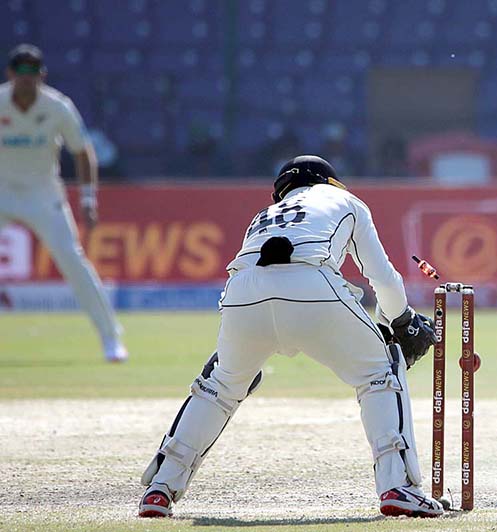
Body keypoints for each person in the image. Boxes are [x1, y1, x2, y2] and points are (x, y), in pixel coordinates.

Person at [138, 155, 444, 518]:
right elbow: (383, 279)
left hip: (242, 294)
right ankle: (399, 487)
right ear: (329, 181)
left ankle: (160, 489)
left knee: (220, 385)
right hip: (311, 285)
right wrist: (402, 321)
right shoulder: (345, 201)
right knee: (380, 370)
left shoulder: (262, 216)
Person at [0, 44, 126, 362]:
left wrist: (87, 199)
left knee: (73, 260)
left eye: (33, 72)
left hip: (43, 195)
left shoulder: (58, 107)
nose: (27, 78)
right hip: (2, 191)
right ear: (10, 74)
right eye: (21, 71)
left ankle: (111, 338)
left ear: (41, 75)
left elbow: (82, 152)